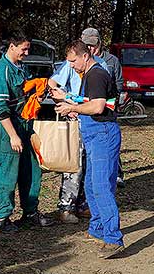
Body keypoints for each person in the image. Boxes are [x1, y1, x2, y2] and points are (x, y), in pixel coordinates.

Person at [53, 39, 124, 258]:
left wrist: (73, 107)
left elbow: (98, 106)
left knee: (101, 186)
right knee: (92, 185)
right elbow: (90, 101)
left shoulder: (96, 74)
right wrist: (71, 102)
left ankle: (113, 239)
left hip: (103, 133)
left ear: (85, 55)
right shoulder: (88, 75)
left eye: (73, 61)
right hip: (95, 134)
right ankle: (98, 228)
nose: (71, 66)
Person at [0, 30, 53, 232]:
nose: (26, 53)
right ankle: (3, 217)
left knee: (31, 170)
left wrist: (39, 94)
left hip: (25, 124)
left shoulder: (21, 67)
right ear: (12, 47)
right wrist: (13, 136)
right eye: (24, 49)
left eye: (28, 49)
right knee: (6, 172)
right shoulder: (1, 71)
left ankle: (30, 211)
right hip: (7, 128)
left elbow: (27, 92)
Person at [49, 48, 109, 223]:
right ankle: (66, 206)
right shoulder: (70, 64)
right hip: (74, 119)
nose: (92, 49)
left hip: (93, 121)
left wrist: (77, 107)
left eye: (94, 46)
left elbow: (98, 101)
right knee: (73, 163)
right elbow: (51, 84)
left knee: (90, 164)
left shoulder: (100, 67)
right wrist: (65, 105)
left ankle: (84, 204)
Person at [81, 27, 125, 188]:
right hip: (88, 112)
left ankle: (116, 174)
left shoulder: (112, 60)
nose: (91, 48)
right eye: (87, 45)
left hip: (106, 111)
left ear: (99, 42)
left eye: (93, 44)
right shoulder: (81, 61)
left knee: (109, 147)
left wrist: (113, 99)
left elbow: (119, 82)